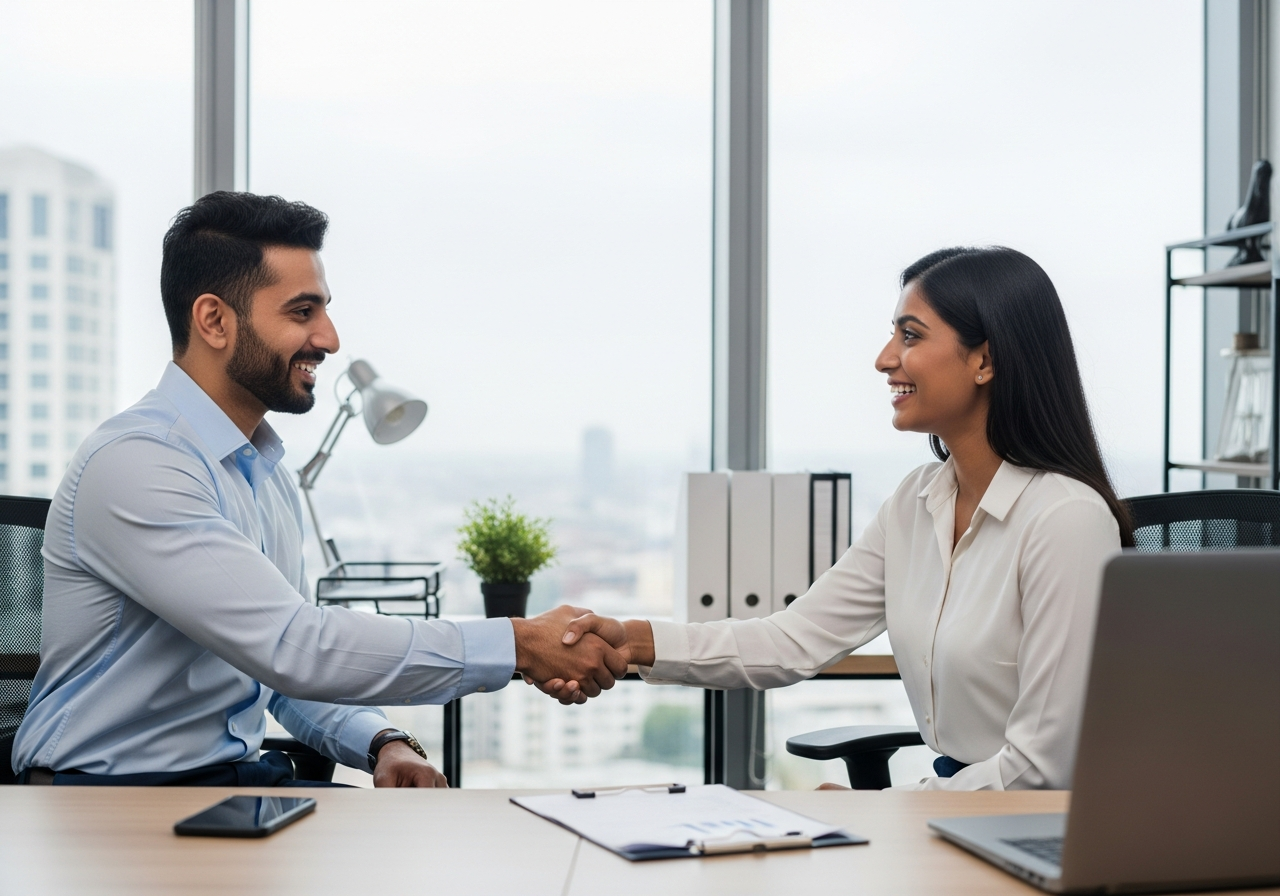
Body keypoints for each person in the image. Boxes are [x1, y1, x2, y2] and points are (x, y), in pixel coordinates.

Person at [12, 192, 625, 787]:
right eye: (302, 312)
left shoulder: (263, 474)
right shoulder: (139, 464)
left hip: (225, 788)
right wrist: (518, 643)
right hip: (103, 803)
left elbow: (275, 675)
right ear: (214, 320)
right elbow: (293, 648)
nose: (330, 339)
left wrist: (383, 743)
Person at [537, 246, 1131, 791]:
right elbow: (791, 640)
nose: (884, 359)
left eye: (910, 335)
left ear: (985, 360)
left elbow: (1042, 767)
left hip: (1035, 833)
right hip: (955, 816)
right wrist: (633, 639)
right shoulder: (917, 501)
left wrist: (893, 812)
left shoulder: (1065, 521)